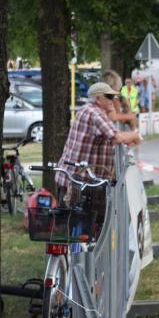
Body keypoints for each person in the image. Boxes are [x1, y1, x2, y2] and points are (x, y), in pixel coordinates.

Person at [56, 82, 142, 223]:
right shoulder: (95, 113)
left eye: (113, 97)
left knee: (72, 225)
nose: (113, 100)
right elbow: (117, 137)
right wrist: (136, 135)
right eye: (109, 97)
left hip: (76, 180)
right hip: (82, 182)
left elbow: (112, 137)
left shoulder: (88, 110)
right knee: (92, 226)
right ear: (98, 98)